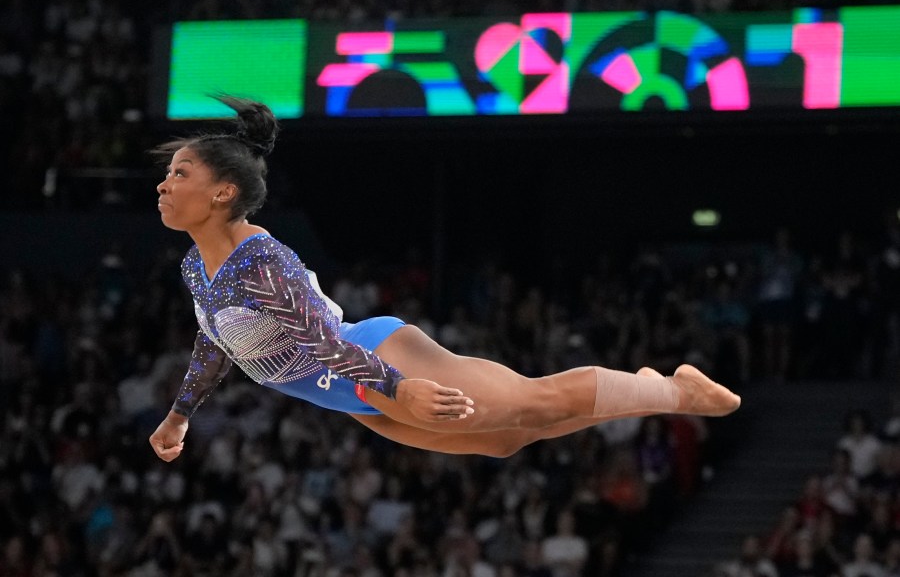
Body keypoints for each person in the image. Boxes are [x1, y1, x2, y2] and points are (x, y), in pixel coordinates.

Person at [148, 96, 741, 460]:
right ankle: (640, 389)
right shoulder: (198, 264)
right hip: (352, 393)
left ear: (223, 191)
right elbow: (218, 337)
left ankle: (674, 391)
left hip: (374, 362)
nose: (163, 184)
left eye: (180, 173)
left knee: (534, 402)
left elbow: (320, 342)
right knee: (506, 439)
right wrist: (181, 412)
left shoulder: (259, 263)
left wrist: (399, 386)